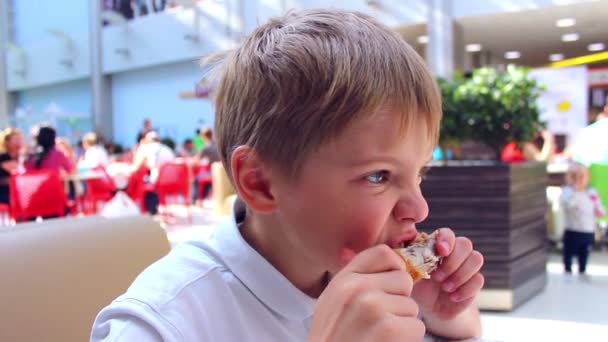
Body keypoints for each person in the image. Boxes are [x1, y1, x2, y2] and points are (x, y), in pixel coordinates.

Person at [91, 9, 484, 341]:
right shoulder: (163, 323)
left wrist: (438, 315)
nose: (420, 206)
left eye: (419, 173)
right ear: (260, 183)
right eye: (378, 176)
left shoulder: (343, 265)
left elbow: (467, 329)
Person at [561, 163, 606, 274]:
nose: (577, 179)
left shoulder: (591, 192)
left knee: (584, 252)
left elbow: (599, 207)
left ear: (588, 178)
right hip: (572, 230)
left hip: (587, 230)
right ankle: (568, 270)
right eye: (573, 176)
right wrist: (575, 192)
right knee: (568, 252)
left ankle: (582, 269)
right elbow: (567, 205)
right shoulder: (567, 192)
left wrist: (600, 210)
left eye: (581, 176)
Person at [0, 128, 24, 204]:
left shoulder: (23, 157)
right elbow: (19, 172)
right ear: (7, 142)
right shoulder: (3, 158)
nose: (19, 142)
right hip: (5, 193)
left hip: (21, 192)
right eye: (16, 139)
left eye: (20, 139)